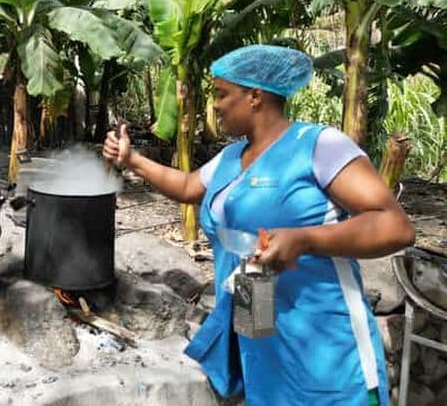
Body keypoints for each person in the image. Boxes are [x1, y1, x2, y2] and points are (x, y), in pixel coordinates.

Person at [102, 45, 415, 406]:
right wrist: (132, 160)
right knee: (266, 389)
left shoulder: (318, 146)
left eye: (221, 94)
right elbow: (189, 187)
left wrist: (305, 239)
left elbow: (395, 226)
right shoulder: (233, 156)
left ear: (255, 96)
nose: (215, 105)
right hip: (255, 307)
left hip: (322, 336)